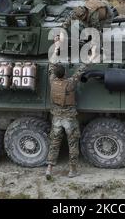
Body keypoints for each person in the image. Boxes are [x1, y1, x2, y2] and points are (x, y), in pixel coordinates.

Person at [45, 36, 93, 179]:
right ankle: (72, 170)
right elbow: (81, 70)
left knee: (54, 143)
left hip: (57, 118)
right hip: (69, 118)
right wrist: (91, 56)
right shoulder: (70, 83)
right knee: (73, 144)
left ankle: (49, 169)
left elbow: (51, 63)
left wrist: (56, 46)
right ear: (65, 73)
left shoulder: (52, 80)